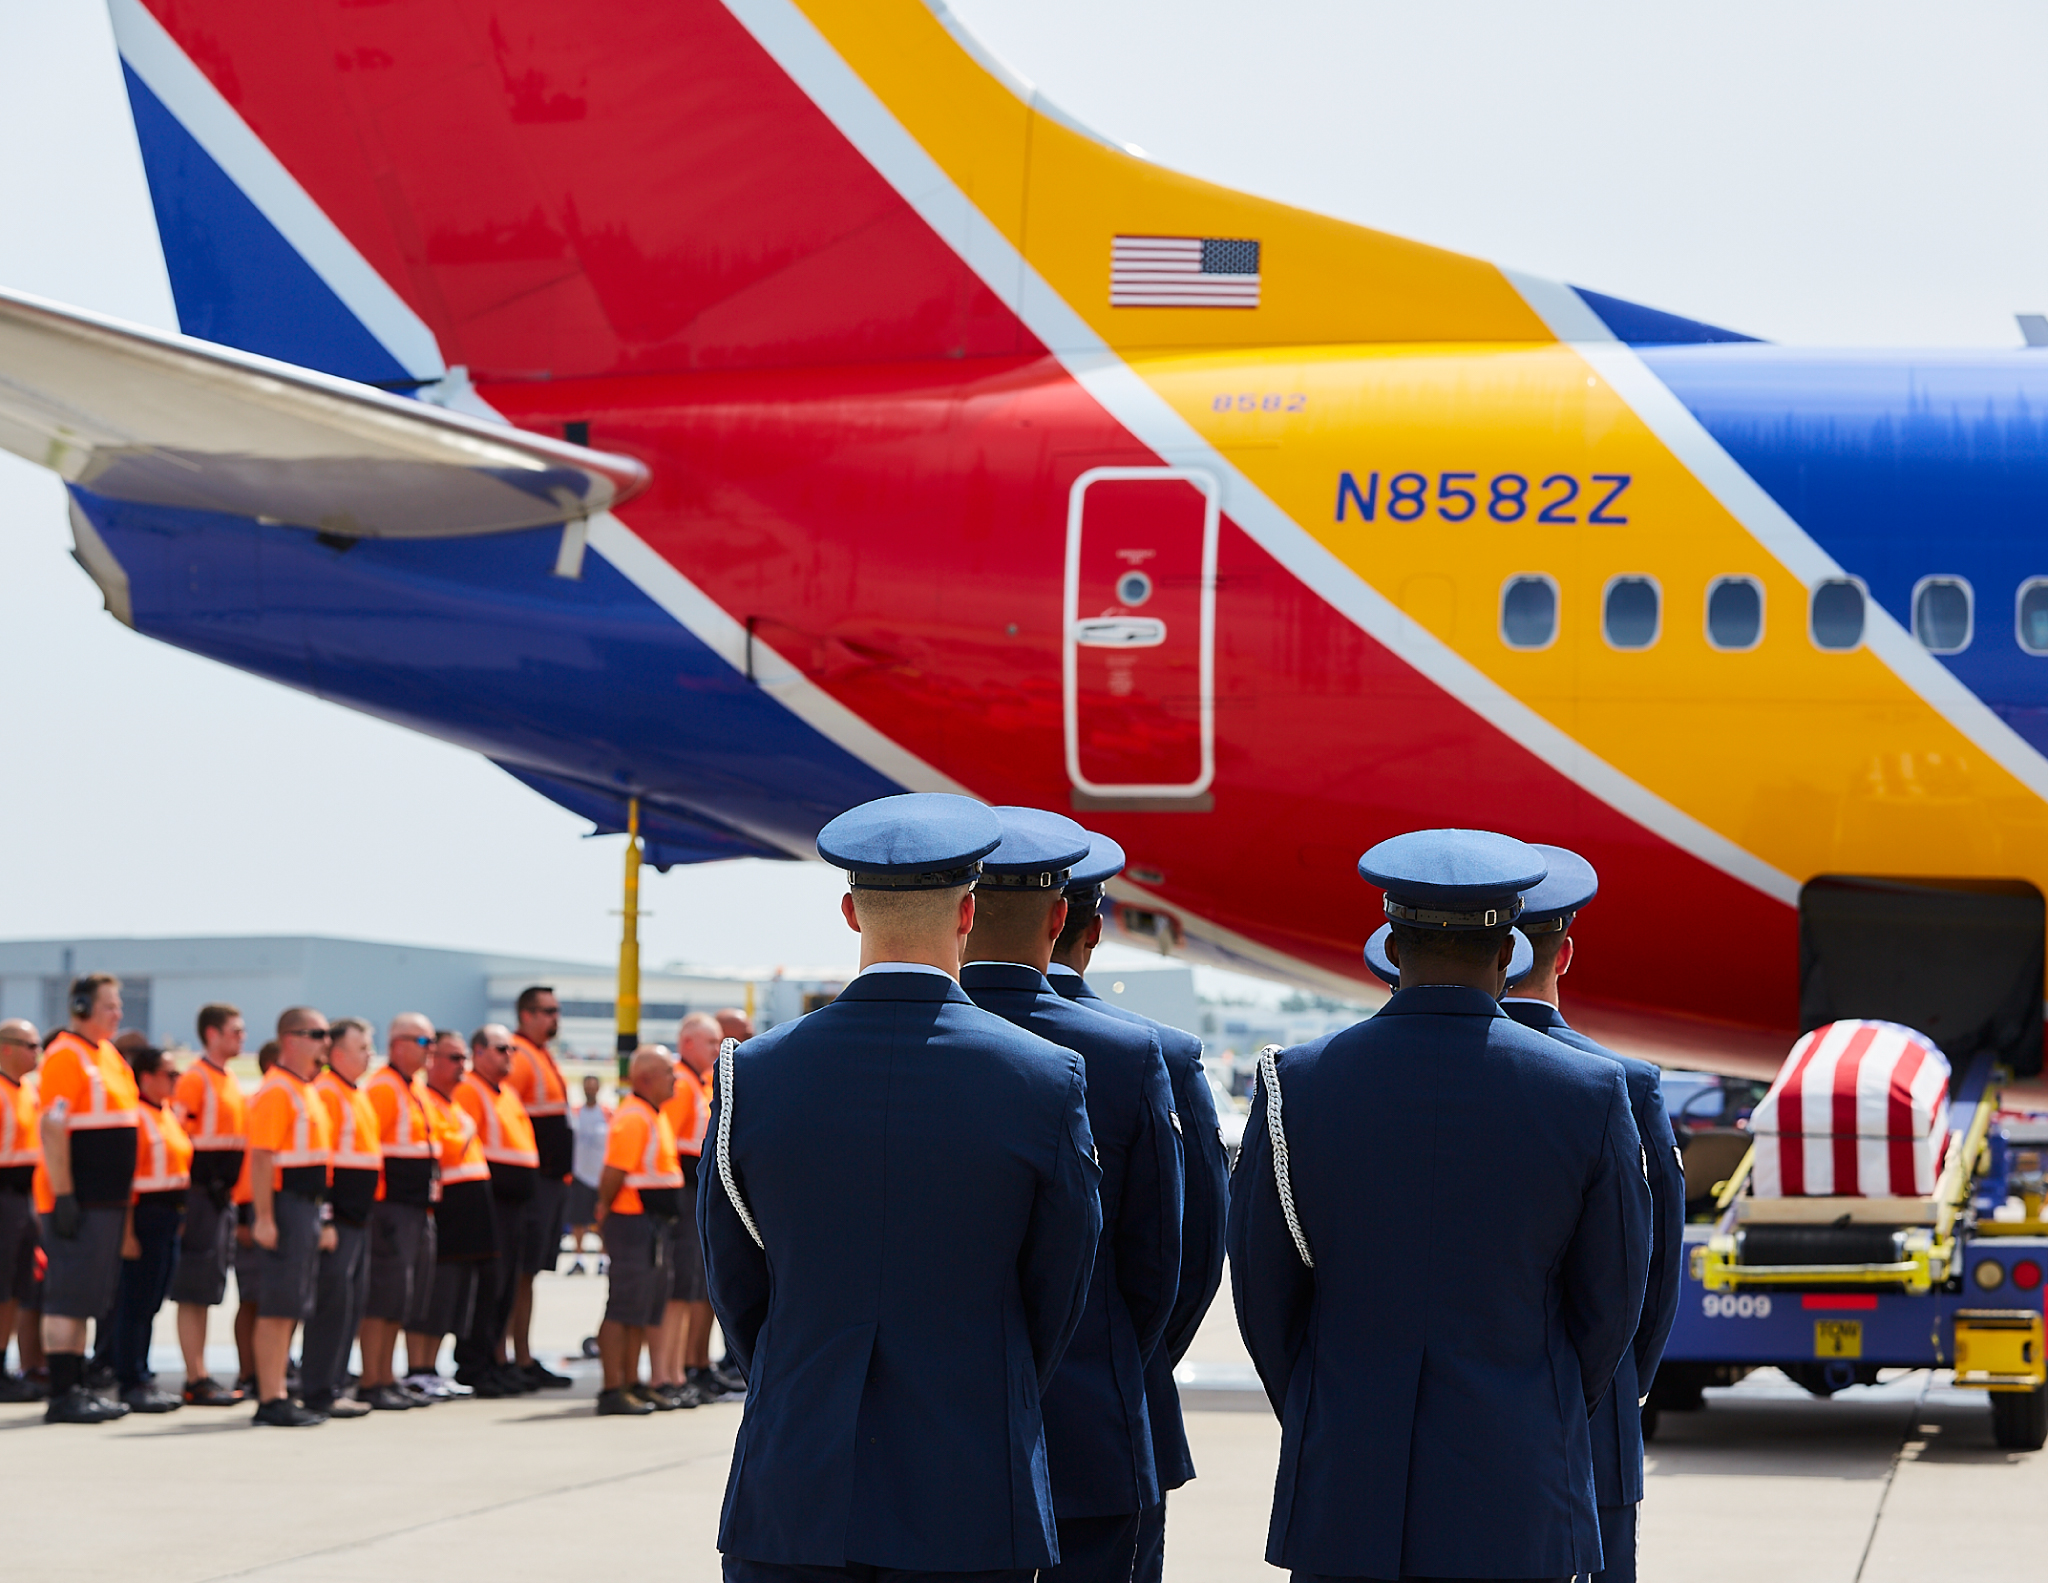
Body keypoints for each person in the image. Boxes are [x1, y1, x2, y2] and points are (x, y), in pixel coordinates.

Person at [1229, 829, 1652, 1581]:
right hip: (1518, 1490)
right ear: (1507, 953)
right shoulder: (1587, 1093)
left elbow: (1266, 1296)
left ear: (1392, 945)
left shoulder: (1297, 1081)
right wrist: (1536, 1403)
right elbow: (1611, 1301)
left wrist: (1334, 1408)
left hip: (1345, 1486)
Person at [701, 792, 1103, 1582]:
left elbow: (736, 1281)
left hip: (796, 1480)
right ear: (967, 913)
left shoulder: (753, 1071)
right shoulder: (1043, 1076)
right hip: (973, 1480)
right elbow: (1059, 1284)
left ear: (850, 912)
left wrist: (804, 1376)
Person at [957, 807, 1183, 1583]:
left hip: (921, 1444)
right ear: (1061, 917)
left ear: (959, 910)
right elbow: (1165, 1265)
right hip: (1091, 1417)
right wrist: (1113, 1355)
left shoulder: (871, 1046)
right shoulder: (1132, 1053)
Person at [1499, 845, 1685, 1583]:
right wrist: (1606, 1392)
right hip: (1587, 1424)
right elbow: (1652, 1272)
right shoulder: (1625, 1085)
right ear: (1565, 954)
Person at [1046, 832, 1229, 1583]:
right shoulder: (1157, 1051)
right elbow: (1187, 1255)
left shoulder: (919, 1045)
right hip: (1104, 1416)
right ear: (1088, 927)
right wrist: (1125, 1353)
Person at [35, 974, 142, 1425]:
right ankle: (63, 1393)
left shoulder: (108, 1055)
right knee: (68, 1298)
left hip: (107, 1202)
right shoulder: (66, 1055)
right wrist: (64, 1195)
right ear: (81, 1006)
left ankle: (78, 1386)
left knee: (87, 1299)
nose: (118, 1014)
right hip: (79, 1200)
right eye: (109, 1006)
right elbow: (53, 1126)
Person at [246, 1008, 337, 1427]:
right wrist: (264, 1217)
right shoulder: (278, 1090)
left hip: (305, 1206)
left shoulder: (306, 1089)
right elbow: (261, 1157)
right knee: (278, 1305)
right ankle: (271, 1396)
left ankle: (280, 1388)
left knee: (293, 1304)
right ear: (290, 1039)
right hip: (285, 1205)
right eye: (317, 1034)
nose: (325, 1042)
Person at [98, 1045, 190, 1413]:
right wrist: (127, 1233)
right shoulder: (136, 1117)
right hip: (144, 1216)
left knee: (151, 1302)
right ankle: (130, 1378)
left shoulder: (166, 1113)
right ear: (146, 1077)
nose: (175, 1081)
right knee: (134, 1303)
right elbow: (127, 1181)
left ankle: (142, 1372)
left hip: (169, 1215)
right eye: (170, 1074)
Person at [593, 1045, 683, 1415]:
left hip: (650, 1223)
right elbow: (614, 1173)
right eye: (668, 1072)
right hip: (632, 1221)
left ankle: (631, 1382)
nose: (675, 1078)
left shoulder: (652, 1113)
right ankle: (613, 1388)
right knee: (624, 1306)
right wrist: (604, 1214)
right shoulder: (634, 1117)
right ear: (646, 1078)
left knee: (642, 1307)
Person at [406, 1030, 492, 1401]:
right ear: (433, 1060)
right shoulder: (426, 1101)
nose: (462, 1067)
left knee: (453, 1299)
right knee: (432, 1295)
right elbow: (445, 1151)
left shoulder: (454, 1104)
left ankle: (432, 1368)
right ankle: (418, 1368)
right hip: (446, 1211)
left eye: (463, 1059)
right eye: (453, 1058)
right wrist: (469, 1131)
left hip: (468, 1216)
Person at [170, 1003, 249, 1405]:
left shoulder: (230, 1080)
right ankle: (194, 1375)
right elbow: (180, 1135)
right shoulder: (195, 1079)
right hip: (202, 1195)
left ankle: (200, 1371)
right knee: (194, 1287)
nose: (242, 1037)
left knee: (209, 1286)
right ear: (213, 1034)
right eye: (235, 1031)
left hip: (222, 1196)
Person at [301, 1017, 380, 1419]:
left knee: (349, 1304)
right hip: (340, 1219)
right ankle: (318, 1388)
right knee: (331, 1305)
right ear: (337, 1053)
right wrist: (326, 1218)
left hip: (359, 1218)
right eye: (362, 1047)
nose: (369, 1054)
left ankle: (333, 1382)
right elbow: (323, 1162)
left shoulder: (355, 1093)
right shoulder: (328, 1093)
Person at [453, 1023, 538, 1396]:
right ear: (479, 1052)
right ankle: (477, 1364)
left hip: (515, 1204)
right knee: (488, 1287)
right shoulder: (470, 1091)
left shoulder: (507, 1093)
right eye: (501, 1049)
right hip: (491, 1203)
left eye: (511, 1050)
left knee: (505, 1288)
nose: (509, 1056)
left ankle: (497, 1360)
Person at [359, 1012, 438, 1409]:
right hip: (389, 1209)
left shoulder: (414, 1089)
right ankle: (372, 1378)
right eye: (424, 1042)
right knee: (382, 1296)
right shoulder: (384, 1089)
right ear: (398, 1045)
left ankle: (386, 1375)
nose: (431, 1051)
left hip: (414, 1207)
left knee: (400, 1299)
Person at [657, 1011, 729, 1403]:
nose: (716, 1049)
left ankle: (696, 1363)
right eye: (710, 1041)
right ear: (687, 1044)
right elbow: (669, 1144)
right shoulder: (681, 1085)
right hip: (684, 1192)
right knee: (685, 1284)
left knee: (699, 1285)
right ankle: (685, 1364)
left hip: (695, 1190)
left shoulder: (697, 1083)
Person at [505, 986, 573, 1388]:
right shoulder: (518, 1056)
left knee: (529, 1273)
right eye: (547, 1011)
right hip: (533, 1183)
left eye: (556, 1011)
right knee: (518, 1271)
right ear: (526, 1014)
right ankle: (512, 1355)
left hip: (549, 1181)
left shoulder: (542, 1056)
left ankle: (523, 1354)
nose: (555, 1018)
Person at [230, 1038, 280, 1398]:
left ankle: (270, 1367)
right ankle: (249, 1372)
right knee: (252, 1298)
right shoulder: (261, 1103)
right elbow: (249, 1168)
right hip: (253, 1210)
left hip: (279, 1212)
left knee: (275, 1299)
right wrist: (247, 1219)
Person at [0, 1018, 41, 1401]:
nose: (37, 1052)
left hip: (24, 1197)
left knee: (13, 1287)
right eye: (30, 1045)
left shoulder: (28, 1091)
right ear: (6, 1048)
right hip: (4, 1195)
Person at [567, 1075, 611, 1274]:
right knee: (578, 1220)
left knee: (602, 1220)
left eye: (593, 1087)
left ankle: (604, 1258)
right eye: (587, 1087)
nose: (590, 1091)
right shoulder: (576, 1113)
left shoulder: (608, 1114)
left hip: (601, 1176)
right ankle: (579, 1257)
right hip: (580, 1174)